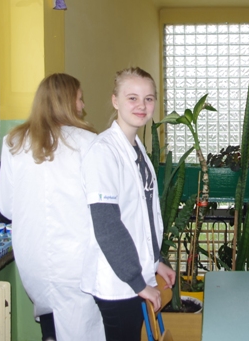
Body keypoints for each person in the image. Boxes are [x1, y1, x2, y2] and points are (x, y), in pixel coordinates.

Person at [0, 73, 105, 341]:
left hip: (33, 258)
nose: (82, 106)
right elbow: (102, 208)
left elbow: (6, 207)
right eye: (79, 99)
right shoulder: (88, 143)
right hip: (77, 261)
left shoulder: (13, 142)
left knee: (52, 324)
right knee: (83, 327)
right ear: (66, 102)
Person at [80, 67, 176, 341]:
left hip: (133, 278)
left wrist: (156, 261)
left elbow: (143, 217)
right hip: (117, 283)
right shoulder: (104, 152)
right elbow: (108, 225)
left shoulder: (136, 148)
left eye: (148, 99)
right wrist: (137, 282)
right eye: (132, 98)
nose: (141, 106)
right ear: (115, 101)